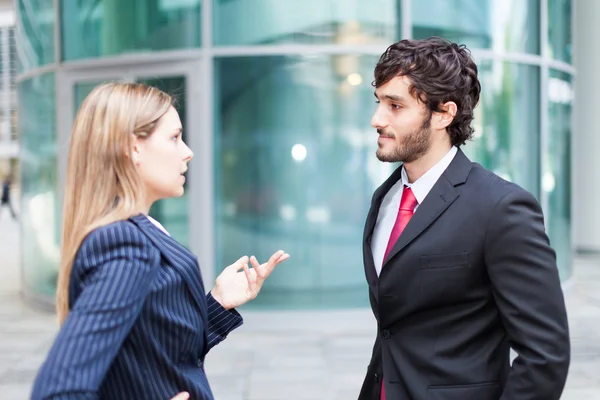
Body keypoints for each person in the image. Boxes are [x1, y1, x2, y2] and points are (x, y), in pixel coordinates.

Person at [31, 82, 290, 400]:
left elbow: (157, 353)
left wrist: (218, 302)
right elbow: (58, 391)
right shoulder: (124, 245)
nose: (188, 151)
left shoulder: (136, 232)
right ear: (133, 147)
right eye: (175, 137)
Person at [358, 37, 570, 400]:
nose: (377, 119)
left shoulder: (502, 209)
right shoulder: (386, 198)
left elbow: (546, 357)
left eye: (395, 105)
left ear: (443, 113)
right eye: (379, 102)